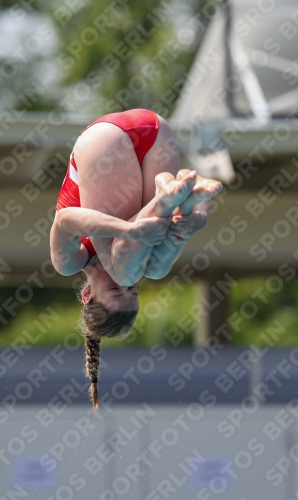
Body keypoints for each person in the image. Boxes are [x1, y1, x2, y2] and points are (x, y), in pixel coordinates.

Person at [50, 108, 222, 413]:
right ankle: (179, 201)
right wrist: (197, 219)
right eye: (132, 292)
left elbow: (64, 220)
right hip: (157, 131)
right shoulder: (140, 260)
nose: (126, 285)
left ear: (87, 294)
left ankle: (164, 201)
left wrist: (129, 229)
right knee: (155, 270)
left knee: (130, 265)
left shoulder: (71, 261)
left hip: (104, 142)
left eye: (116, 292)